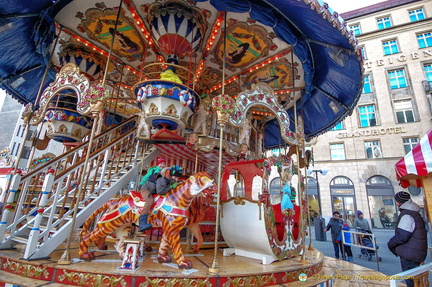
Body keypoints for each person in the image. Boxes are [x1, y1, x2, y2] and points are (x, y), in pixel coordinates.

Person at [388, 191, 427, 287]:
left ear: (399, 202)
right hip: (415, 252)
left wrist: (390, 244)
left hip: (410, 254)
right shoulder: (414, 213)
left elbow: (402, 236)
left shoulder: (407, 215)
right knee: (416, 281)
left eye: (396, 201)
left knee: (411, 282)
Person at [138, 165, 184, 232]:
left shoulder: (169, 179)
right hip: (146, 190)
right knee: (149, 200)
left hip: (154, 190)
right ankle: (142, 223)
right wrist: (171, 187)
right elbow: (160, 191)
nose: (176, 179)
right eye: (175, 177)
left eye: (177, 177)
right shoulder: (161, 179)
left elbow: (173, 184)